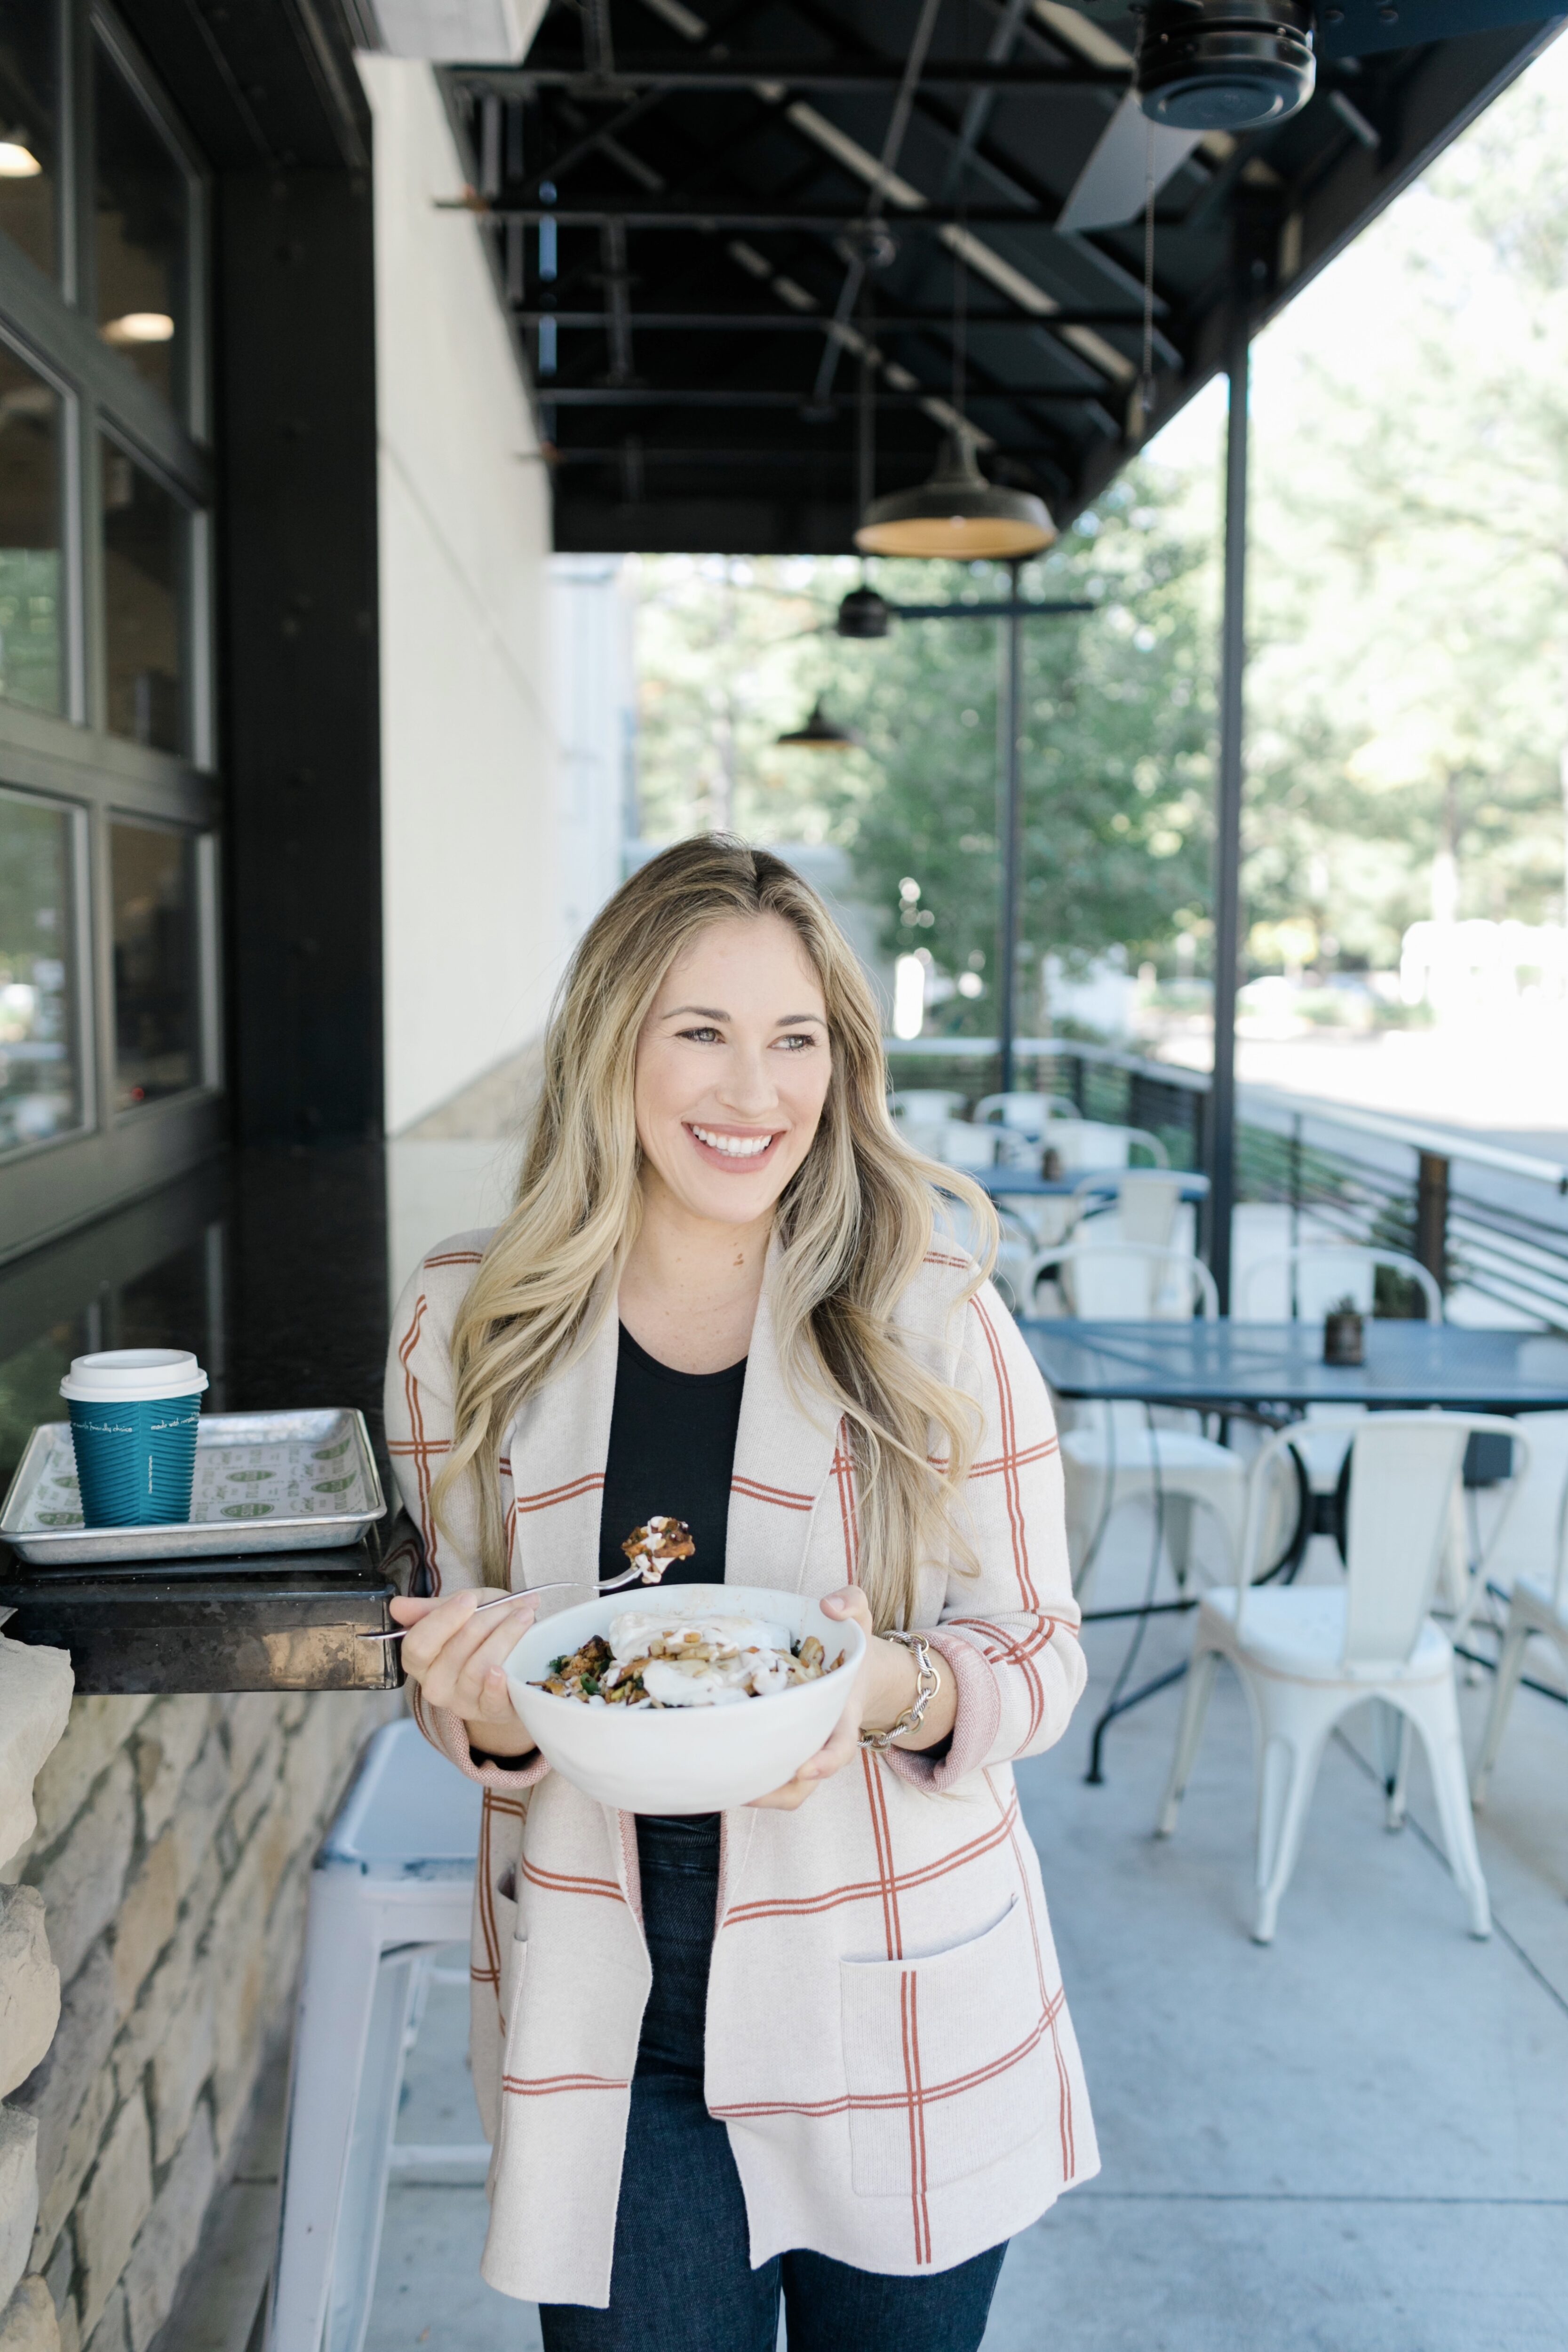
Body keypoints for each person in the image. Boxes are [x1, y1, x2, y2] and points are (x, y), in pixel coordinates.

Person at [385, 837, 1096, 2352]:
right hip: (612, 2000)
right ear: (610, 1045)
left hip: (892, 1978)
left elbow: (1041, 1653)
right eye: (700, 1033)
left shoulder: (931, 1311)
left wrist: (895, 1689)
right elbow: (479, 1691)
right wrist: (486, 1713)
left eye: (796, 1042)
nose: (752, 1093)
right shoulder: (469, 1318)